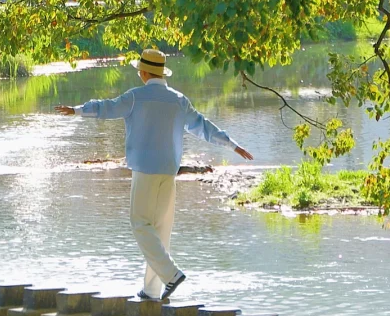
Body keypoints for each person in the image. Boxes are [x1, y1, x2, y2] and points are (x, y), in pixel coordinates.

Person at [57, 47, 254, 299]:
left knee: (140, 224)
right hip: (169, 171)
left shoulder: (136, 97)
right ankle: (152, 290)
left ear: (144, 73)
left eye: (140, 70)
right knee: (160, 231)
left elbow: (107, 108)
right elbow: (204, 126)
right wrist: (232, 144)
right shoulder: (179, 100)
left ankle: (171, 275)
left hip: (145, 170)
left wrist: (77, 110)